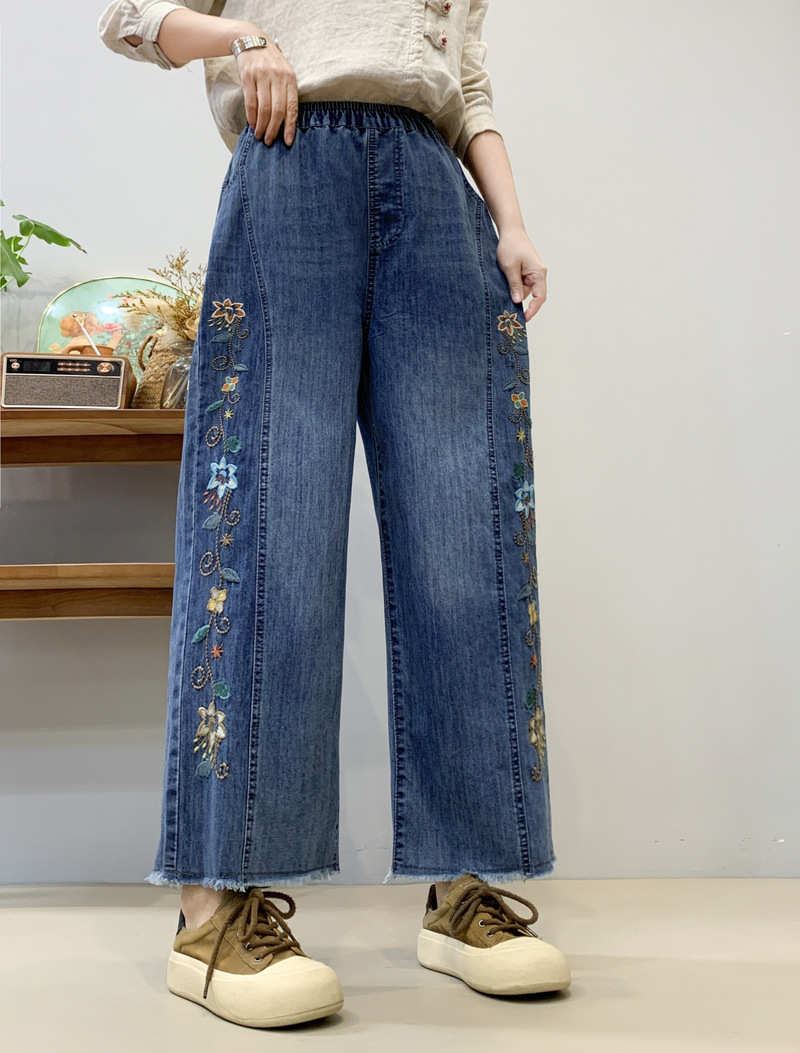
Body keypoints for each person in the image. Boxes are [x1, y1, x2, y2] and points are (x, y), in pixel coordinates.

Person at [97, 0, 571, 1028]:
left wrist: (511, 221)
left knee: (467, 542)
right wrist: (244, 41)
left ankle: (464, 885)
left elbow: (465, 83)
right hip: (290, 161)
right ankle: (213, 907)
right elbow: (131, 18)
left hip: (436, 191)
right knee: (270, 535)